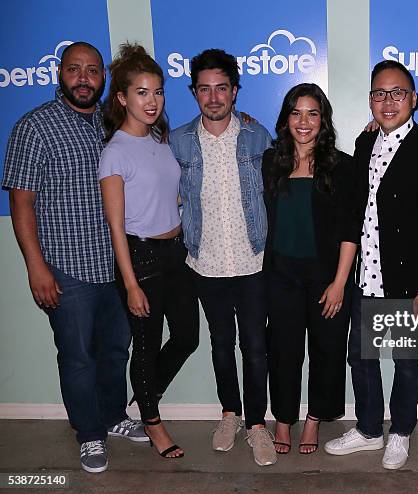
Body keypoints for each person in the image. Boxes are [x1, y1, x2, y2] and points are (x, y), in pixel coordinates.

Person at [2, 42, 148, 474]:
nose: (83, 78)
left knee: (116, 350)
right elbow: (21, 202)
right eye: (74, 70)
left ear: (105, 78)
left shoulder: (111, 125)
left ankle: (114, 416)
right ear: (59, 73)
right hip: (68, 270)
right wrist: (36, 267)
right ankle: (89, 434)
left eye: (92, 71)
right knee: (77, 356)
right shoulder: (35, 127)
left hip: (116, 266)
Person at [324, 60, 418, 470]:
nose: (388, 101)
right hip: (368, 274)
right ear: (369, 101)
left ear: (413, 99)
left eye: (397, 93)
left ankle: (399, 432)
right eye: (379, 94)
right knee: (361, 358)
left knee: (405, 361)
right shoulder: (365, 144)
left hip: (408, 280)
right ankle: (367, 429)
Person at [169, 49, 276, 467]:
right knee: (219, 343)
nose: (213, 98)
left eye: (221, 88)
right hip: (205, 261)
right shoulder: (177, 140)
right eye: (204, 89)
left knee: (254, 345)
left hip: (252, 259)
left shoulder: (257, 136)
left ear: (235, 91)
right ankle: (229, 415)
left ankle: (256, 424)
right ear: (194, 92)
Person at [98, 43, 200, 459]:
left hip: (176, 253)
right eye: (141, 92)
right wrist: (130, 283)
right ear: (122, 97)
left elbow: (164, 192)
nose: (152, 100)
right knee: (145, 343)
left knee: (187, 338)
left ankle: (144, 399)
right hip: (140, 259)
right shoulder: (115, 152)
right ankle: (153, 424)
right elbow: (115, 226)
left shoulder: (161, 141)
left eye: (157, 91)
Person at [263, 83, 359, 455]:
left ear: (324, 120)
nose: (304, 122)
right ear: (286, 118)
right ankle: (284, 420)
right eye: (296, 113)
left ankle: (315, 420)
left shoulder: (342, 165)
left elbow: (352, 229)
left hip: (327, 278)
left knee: (328, 351)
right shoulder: (270, 162)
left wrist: (339, 283)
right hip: (281, 275)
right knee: (284, 351)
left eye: (312, 113)